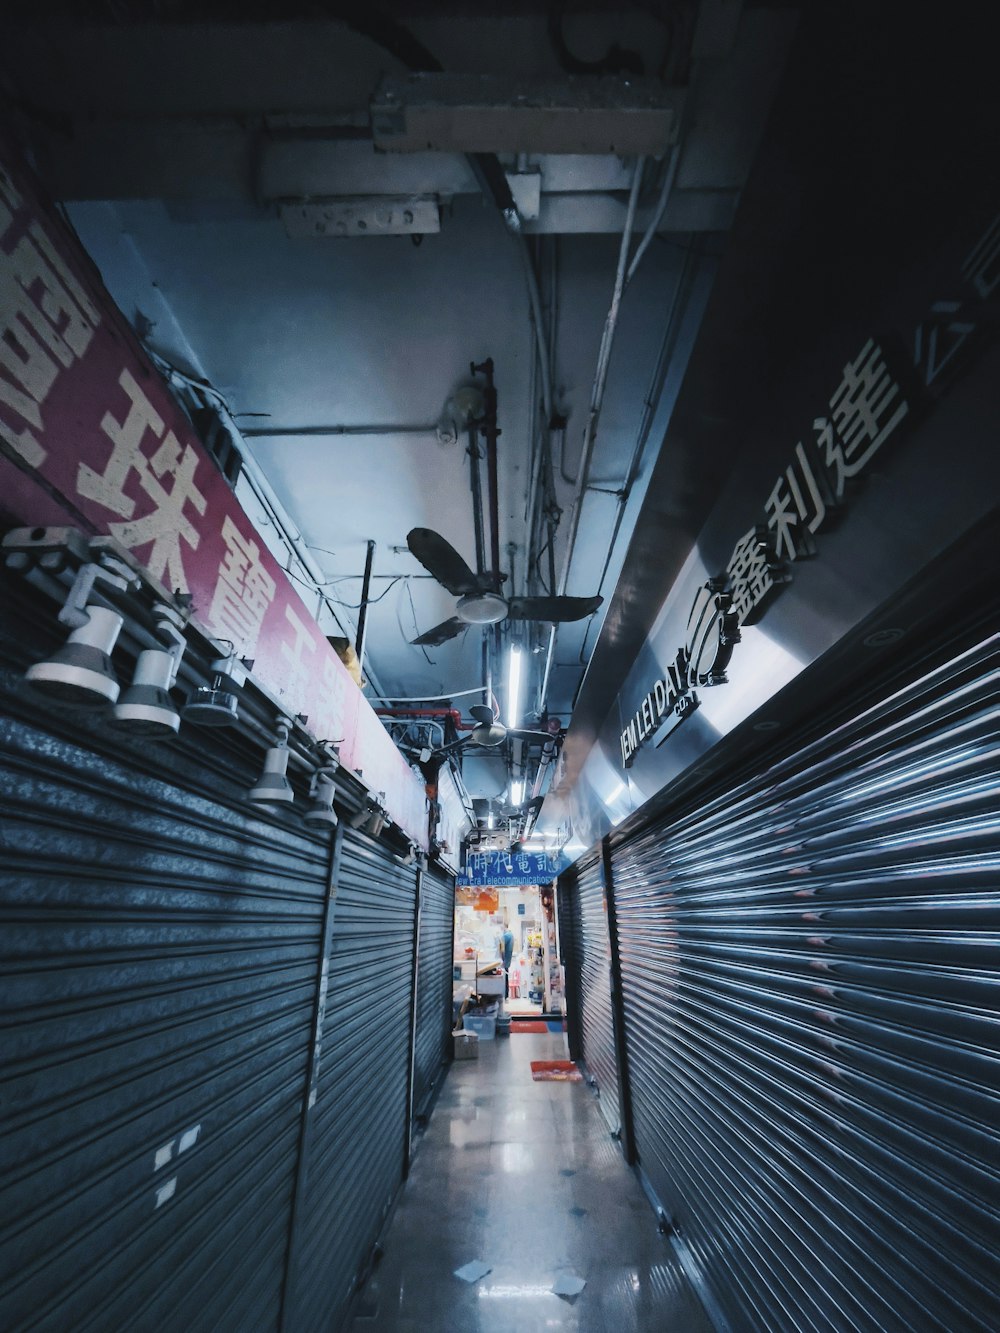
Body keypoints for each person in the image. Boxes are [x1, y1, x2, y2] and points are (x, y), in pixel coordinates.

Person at [499, 914, 514, 999]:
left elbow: (500, 945)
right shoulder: (509, 934)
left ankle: (505, 996)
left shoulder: (506, 935)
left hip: (504, 962)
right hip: (506, 961)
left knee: (504, 979)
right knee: (506, 978)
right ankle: (506, 995)